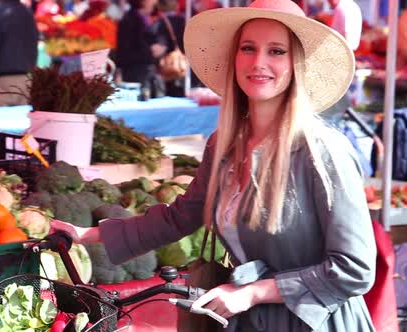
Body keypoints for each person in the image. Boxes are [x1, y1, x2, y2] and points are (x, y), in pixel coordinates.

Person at [50, 0, 377, 330]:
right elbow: (181, 217)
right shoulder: (225, 144)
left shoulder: (322, 152)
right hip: (252, 321)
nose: (259, 62)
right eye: (248, 48)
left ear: (296, 64)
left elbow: (354, 270)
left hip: (317, 321)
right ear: (234, 58)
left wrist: (255, 292)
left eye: (276, 51)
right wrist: (86, 234)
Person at [115, 0, 167, 98]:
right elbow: (126, 52)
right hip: (135, 75)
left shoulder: (140, 18)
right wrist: (151, 52)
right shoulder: (130, 20)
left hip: (141, 72)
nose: (155, 2)